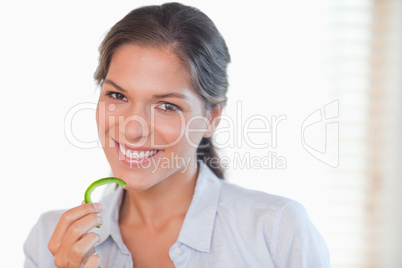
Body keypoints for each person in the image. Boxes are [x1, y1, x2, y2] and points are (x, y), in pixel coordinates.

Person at [24, 2, 330, 267]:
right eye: (117, 96)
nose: (132, 129)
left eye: (167, 106)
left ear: (211, 118)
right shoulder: (51, 241)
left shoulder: (277, 230)